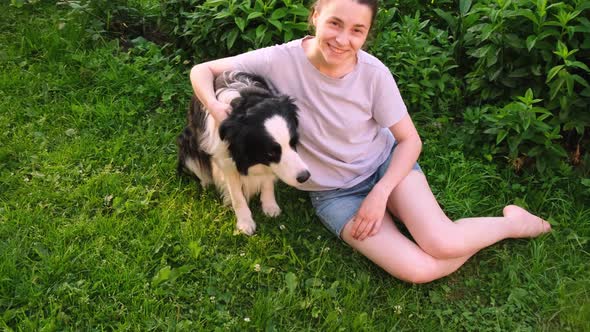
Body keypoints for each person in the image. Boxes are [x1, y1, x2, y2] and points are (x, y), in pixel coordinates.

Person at [189, 0, 552, 283]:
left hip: (385, 167)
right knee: (421, 269)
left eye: (357, 30)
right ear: (315, 17)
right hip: (334, 194)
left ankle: (514, 223)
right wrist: (219, 112)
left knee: (444, 244)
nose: (342, 39)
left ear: (366, 34)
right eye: (334, 23)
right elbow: (201, 70)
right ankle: (431, 226)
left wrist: (380, 195)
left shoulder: (374, 74)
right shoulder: (280, 60)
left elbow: (409, 141)